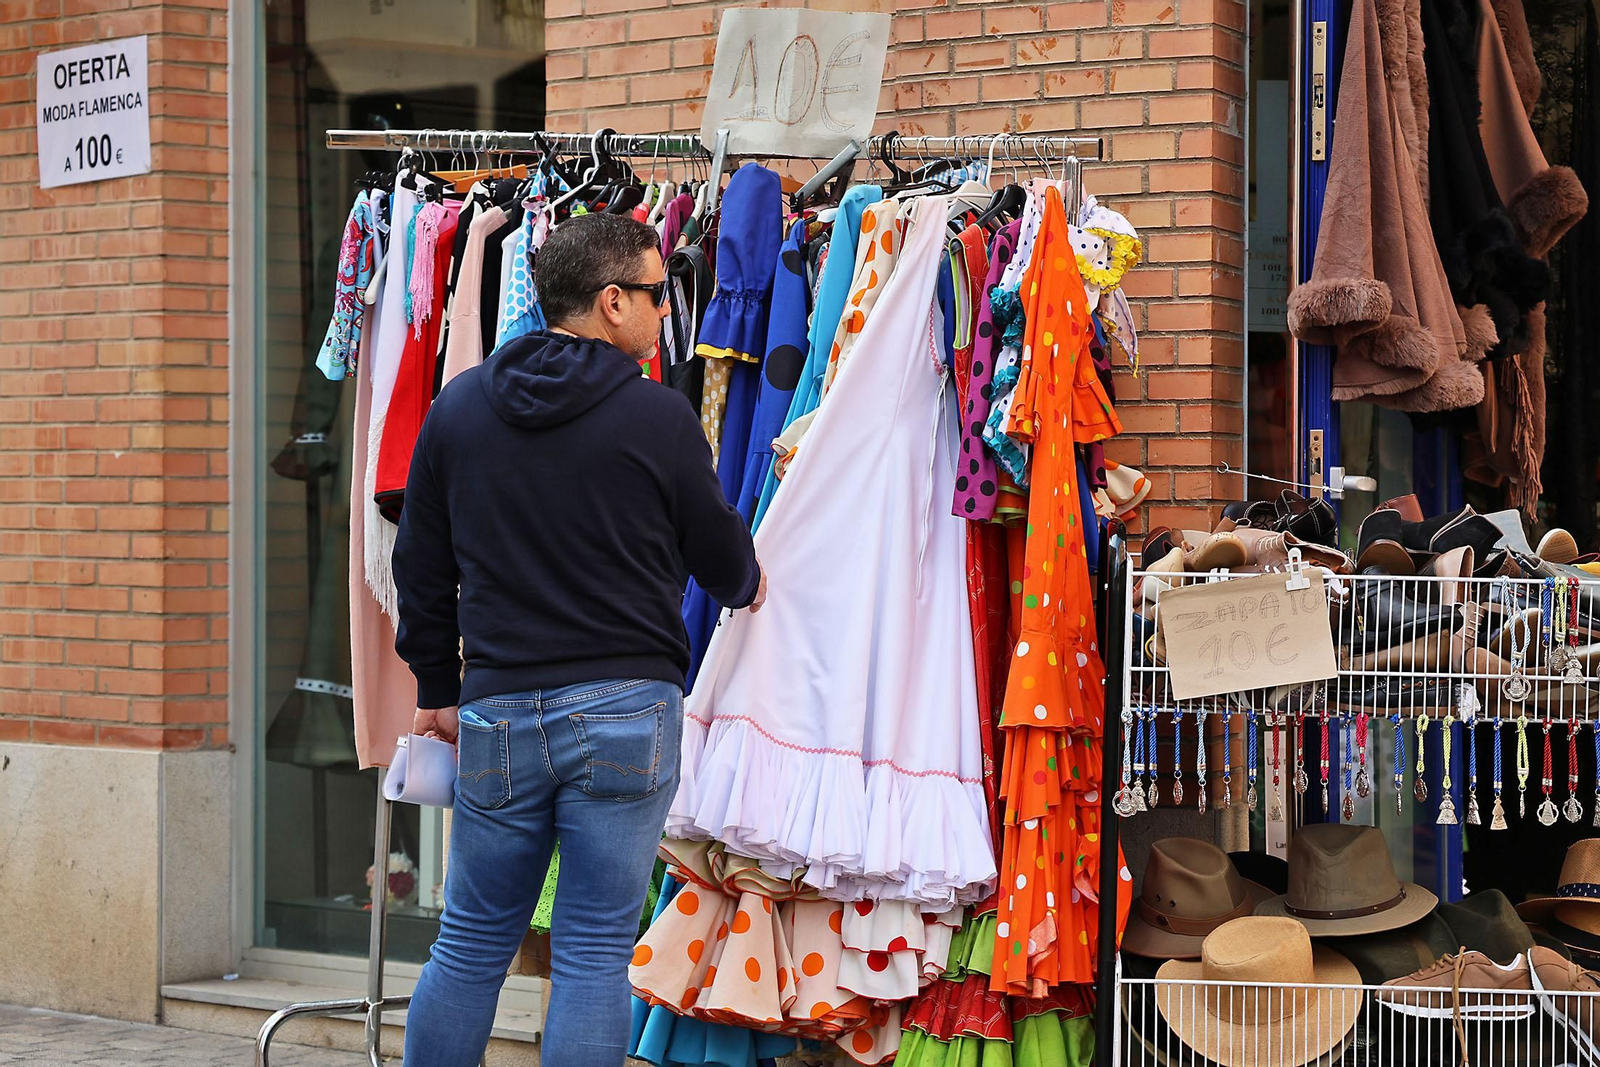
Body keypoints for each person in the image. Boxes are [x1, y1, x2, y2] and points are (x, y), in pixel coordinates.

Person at [392, 212, 764, 1067]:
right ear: (610, 302)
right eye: (655, 293)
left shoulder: (460, 411)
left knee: (471, 941)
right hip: (627, 709)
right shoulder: (657, 417)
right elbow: (721, 555)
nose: (667, 310)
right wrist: (748, 584)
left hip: (498, 710)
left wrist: (435, 691)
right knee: (594, 953)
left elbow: (420, 564)